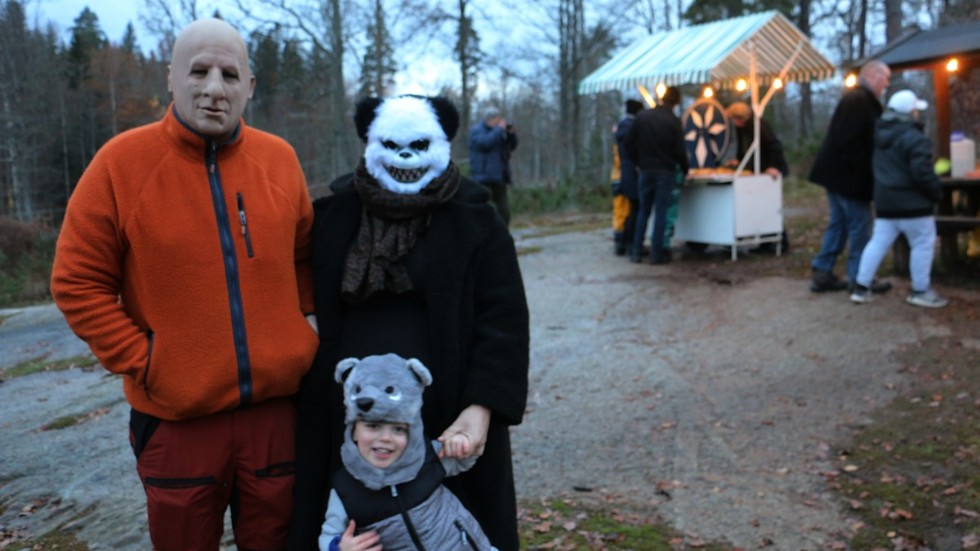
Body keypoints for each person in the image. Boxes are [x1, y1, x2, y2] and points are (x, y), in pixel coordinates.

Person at [49, 18, 319, 551]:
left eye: (229, 74)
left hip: (275, 418)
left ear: (250, 86)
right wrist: (146, 360)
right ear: (170, 79)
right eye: (198, 71)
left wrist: (302, 331)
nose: (214, 89)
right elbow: (77, 280)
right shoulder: (120, 164)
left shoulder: (280, 160)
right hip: (177, 424)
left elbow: (304, 257)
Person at [290, 95, 530, 551]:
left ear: (441, 142)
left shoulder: (475, 217)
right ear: (370, 142)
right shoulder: (334, 214)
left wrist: (481, 410)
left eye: (418, 145)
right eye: (393, 145)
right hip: (351, 415)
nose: (405, 158)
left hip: (449, 416)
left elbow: (505, 320)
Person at [318, 354, 496, 551]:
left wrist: (462, 444)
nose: (386, 438)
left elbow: (464, 461)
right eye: (373, 426)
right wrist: (340, 548)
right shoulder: (345, 490)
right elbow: (329, 536)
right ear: (353, 432)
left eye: (398, 429)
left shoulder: (425, 456)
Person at [850, 90, 948, 308]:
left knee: (877, 243)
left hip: (886, 202)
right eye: (915, 110)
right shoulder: (914, 137)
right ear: (910, 112)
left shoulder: (877, 135)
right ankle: (920, 290)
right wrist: (936, 192)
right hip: (914, 204)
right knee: (922, 244)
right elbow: (922, 172)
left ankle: (861, 287)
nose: (917, 114)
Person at [808, 60, 894, 293]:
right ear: (874, 76)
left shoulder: (857, 100)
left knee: (840, 225)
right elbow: (848, 142)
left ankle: (823, 271)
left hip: (836, 174)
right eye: (886, 78)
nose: (887, 83)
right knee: (860, 226)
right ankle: (860, 278)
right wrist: (865, 173)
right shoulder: (859, 102)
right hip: (848, 178)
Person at [625, 86, 689, 264]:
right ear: (676, 102)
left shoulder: (642, 117)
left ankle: (636, 251)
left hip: (645, 171)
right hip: (665, 172)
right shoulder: (673, 121)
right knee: (661, 212)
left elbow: (628, 144)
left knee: (643, 211)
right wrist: (685, 170)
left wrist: (638, 162)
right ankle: (656, 253)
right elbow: (680, 151)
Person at [725, 101, 791, 252]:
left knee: (770, 206)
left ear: (741, 118)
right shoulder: (742, 128)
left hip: (769, 171)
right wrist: (740, 161)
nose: (733, 123)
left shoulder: (759, 125)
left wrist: (773, 167)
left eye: (734, 119)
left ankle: (781, 241)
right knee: (760, 206)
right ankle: (765, 243)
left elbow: (774, 146)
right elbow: (745, 149)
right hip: (757, 170)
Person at [468, 107, 519, 226]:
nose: (498, 122)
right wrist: (499, 130)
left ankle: (503, 233)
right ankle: (487, 235)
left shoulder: (499, 132)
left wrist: (511, 134)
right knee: (486, 209)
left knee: (504, 210)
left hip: (500, 175)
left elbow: (511, 147)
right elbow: (485, 143)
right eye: (496, 120)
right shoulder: (476, 131)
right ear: (488, 119)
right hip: (483, 177)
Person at [613, 98, 645, 256]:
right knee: (635, 209)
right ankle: (628, 243)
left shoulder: (622, 125)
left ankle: (624, 243)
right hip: (632, 173)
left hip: (626, 173)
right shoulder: (630, 127)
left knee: (632, 209)